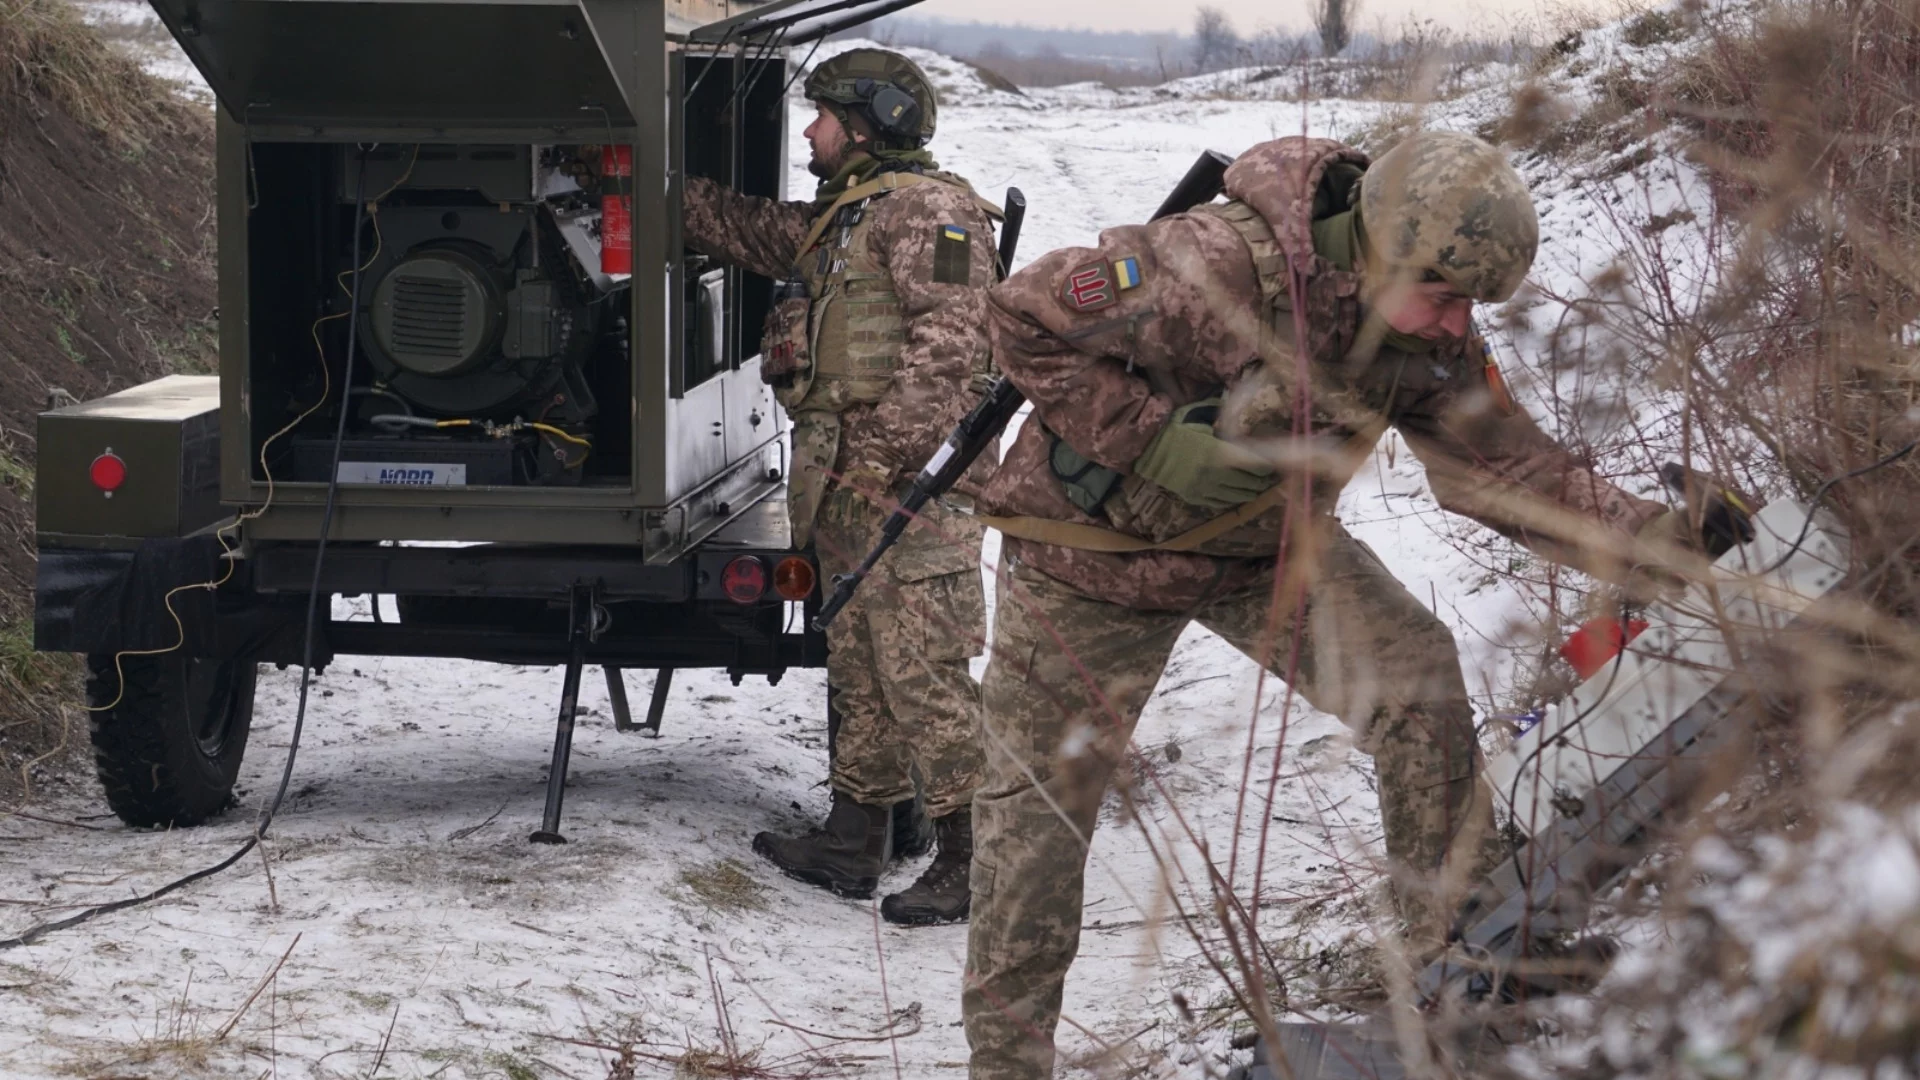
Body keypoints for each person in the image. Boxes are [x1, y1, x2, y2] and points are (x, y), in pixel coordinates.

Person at [959, 131, 1751, 1077]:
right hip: (1089, 564)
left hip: (1266, 553)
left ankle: (1458, 979)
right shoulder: (1208, 266)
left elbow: (1502, 468)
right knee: (1035, 830)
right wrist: (1153, 440)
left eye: (1471, 307)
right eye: (1446, 299)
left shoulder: (1423, 331)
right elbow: (1018, 320)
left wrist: (1657, 542)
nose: (1458, 327)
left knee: (1418, 688)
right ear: (1375, 245)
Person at [681, 48, 1002, 925]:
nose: (809, 132)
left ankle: (979, 861)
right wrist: (653, 190)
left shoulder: (930, 213)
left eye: (822, 116)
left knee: (922, 673)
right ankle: (855, 837)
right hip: (848, 492)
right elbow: (750, 229)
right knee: (859, 667)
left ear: (869, 124)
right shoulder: (848, 220)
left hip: (906, 495)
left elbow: (952, 351)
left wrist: (879, 463)